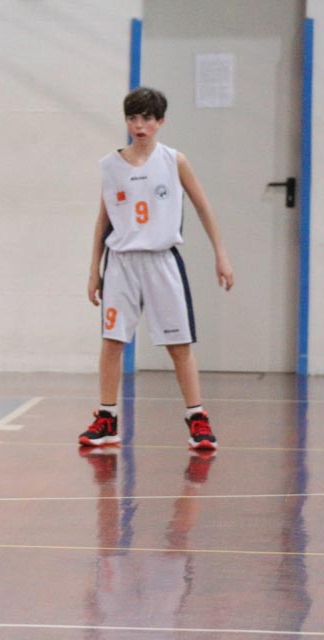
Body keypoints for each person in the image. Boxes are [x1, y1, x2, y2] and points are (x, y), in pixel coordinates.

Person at [79, 86, 234, 451]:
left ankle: (197, 418)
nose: (139, 125)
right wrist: (93, 269)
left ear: (160, 121)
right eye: (133, 118)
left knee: (179, 344)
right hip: (120, 263)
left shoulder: (174, 161)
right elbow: (103, 220)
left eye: (147, 118)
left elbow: (203, 207)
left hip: (162, 261)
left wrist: (221, 254)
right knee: (112, 341)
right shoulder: (110, 165)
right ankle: (107, 418)